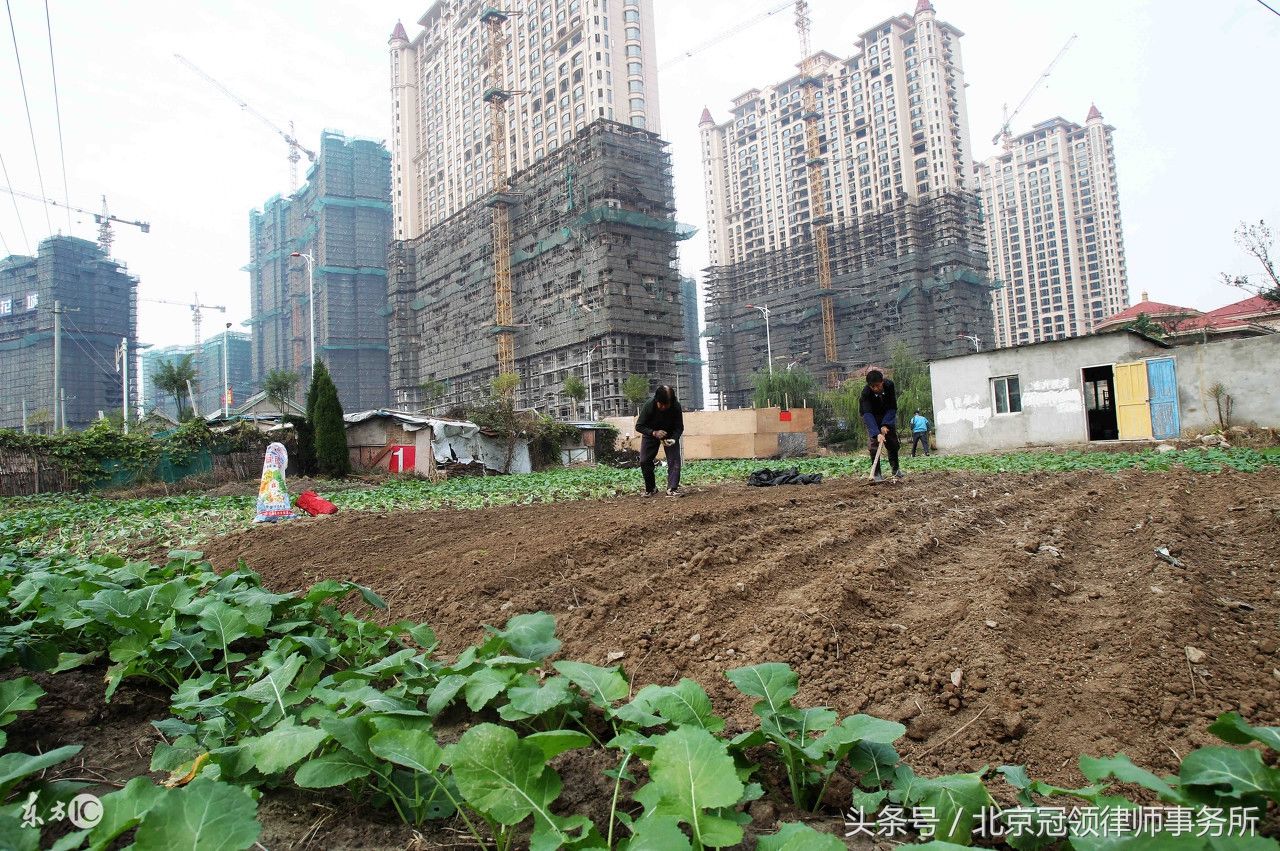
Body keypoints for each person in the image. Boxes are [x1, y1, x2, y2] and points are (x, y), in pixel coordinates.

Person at [635, 384, 684, 497]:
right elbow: (639, 426)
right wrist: (653, 432)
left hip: (669, 433)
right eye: (660, 404)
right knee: (644, 460)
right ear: (656, 400)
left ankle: (672, 489)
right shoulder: (649, 405)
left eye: (666, 405)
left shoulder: (676, 407)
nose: (662, 407)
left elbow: (679, 427)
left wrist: (674, 439)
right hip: (651, 432)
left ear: (671, 403)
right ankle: (651, 488)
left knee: (674, 460)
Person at [859, 369, 902, 481]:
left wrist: (886, 424)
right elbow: (867, 414)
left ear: (882, 382)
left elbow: (892, 407)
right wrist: (876, 433)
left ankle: (896, 469)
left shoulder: (889, 385)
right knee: (874, 444)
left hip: (886, 414)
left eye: (877, 386)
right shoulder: (866, 393)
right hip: (872, 416)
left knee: (892, 442)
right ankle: (877, 474)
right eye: (872, 387)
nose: (875, 389)